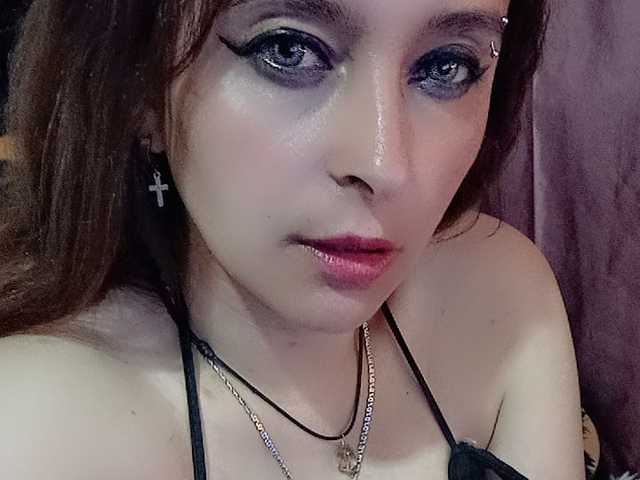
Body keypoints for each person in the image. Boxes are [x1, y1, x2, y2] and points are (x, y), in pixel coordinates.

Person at [0, 0, 584, 478]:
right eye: (289, 49)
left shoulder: (503, 303)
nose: (384, 165)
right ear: (140, 87)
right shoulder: (41, 431)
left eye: (447, 65)